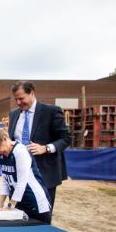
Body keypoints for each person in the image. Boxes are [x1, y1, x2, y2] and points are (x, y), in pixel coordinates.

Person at [8, 81, 70, 210]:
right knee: (17, 214)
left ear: (32, 93)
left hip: (44, 174)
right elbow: (12, 140)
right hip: (19, 174)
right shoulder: (14, 114)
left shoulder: (51, 111)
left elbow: (65, 139)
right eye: (16, 99)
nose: (18, 102)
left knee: (42, 216)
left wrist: (46, 148)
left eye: (21, 98)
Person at [0, 127, 52, 224]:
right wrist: (0, 204)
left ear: (4, 139)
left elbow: (21, 183)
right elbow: (5, 180)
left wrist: (9, 206)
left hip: (35, 203)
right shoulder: (3, 154)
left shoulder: (20, 152)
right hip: (19, 202)